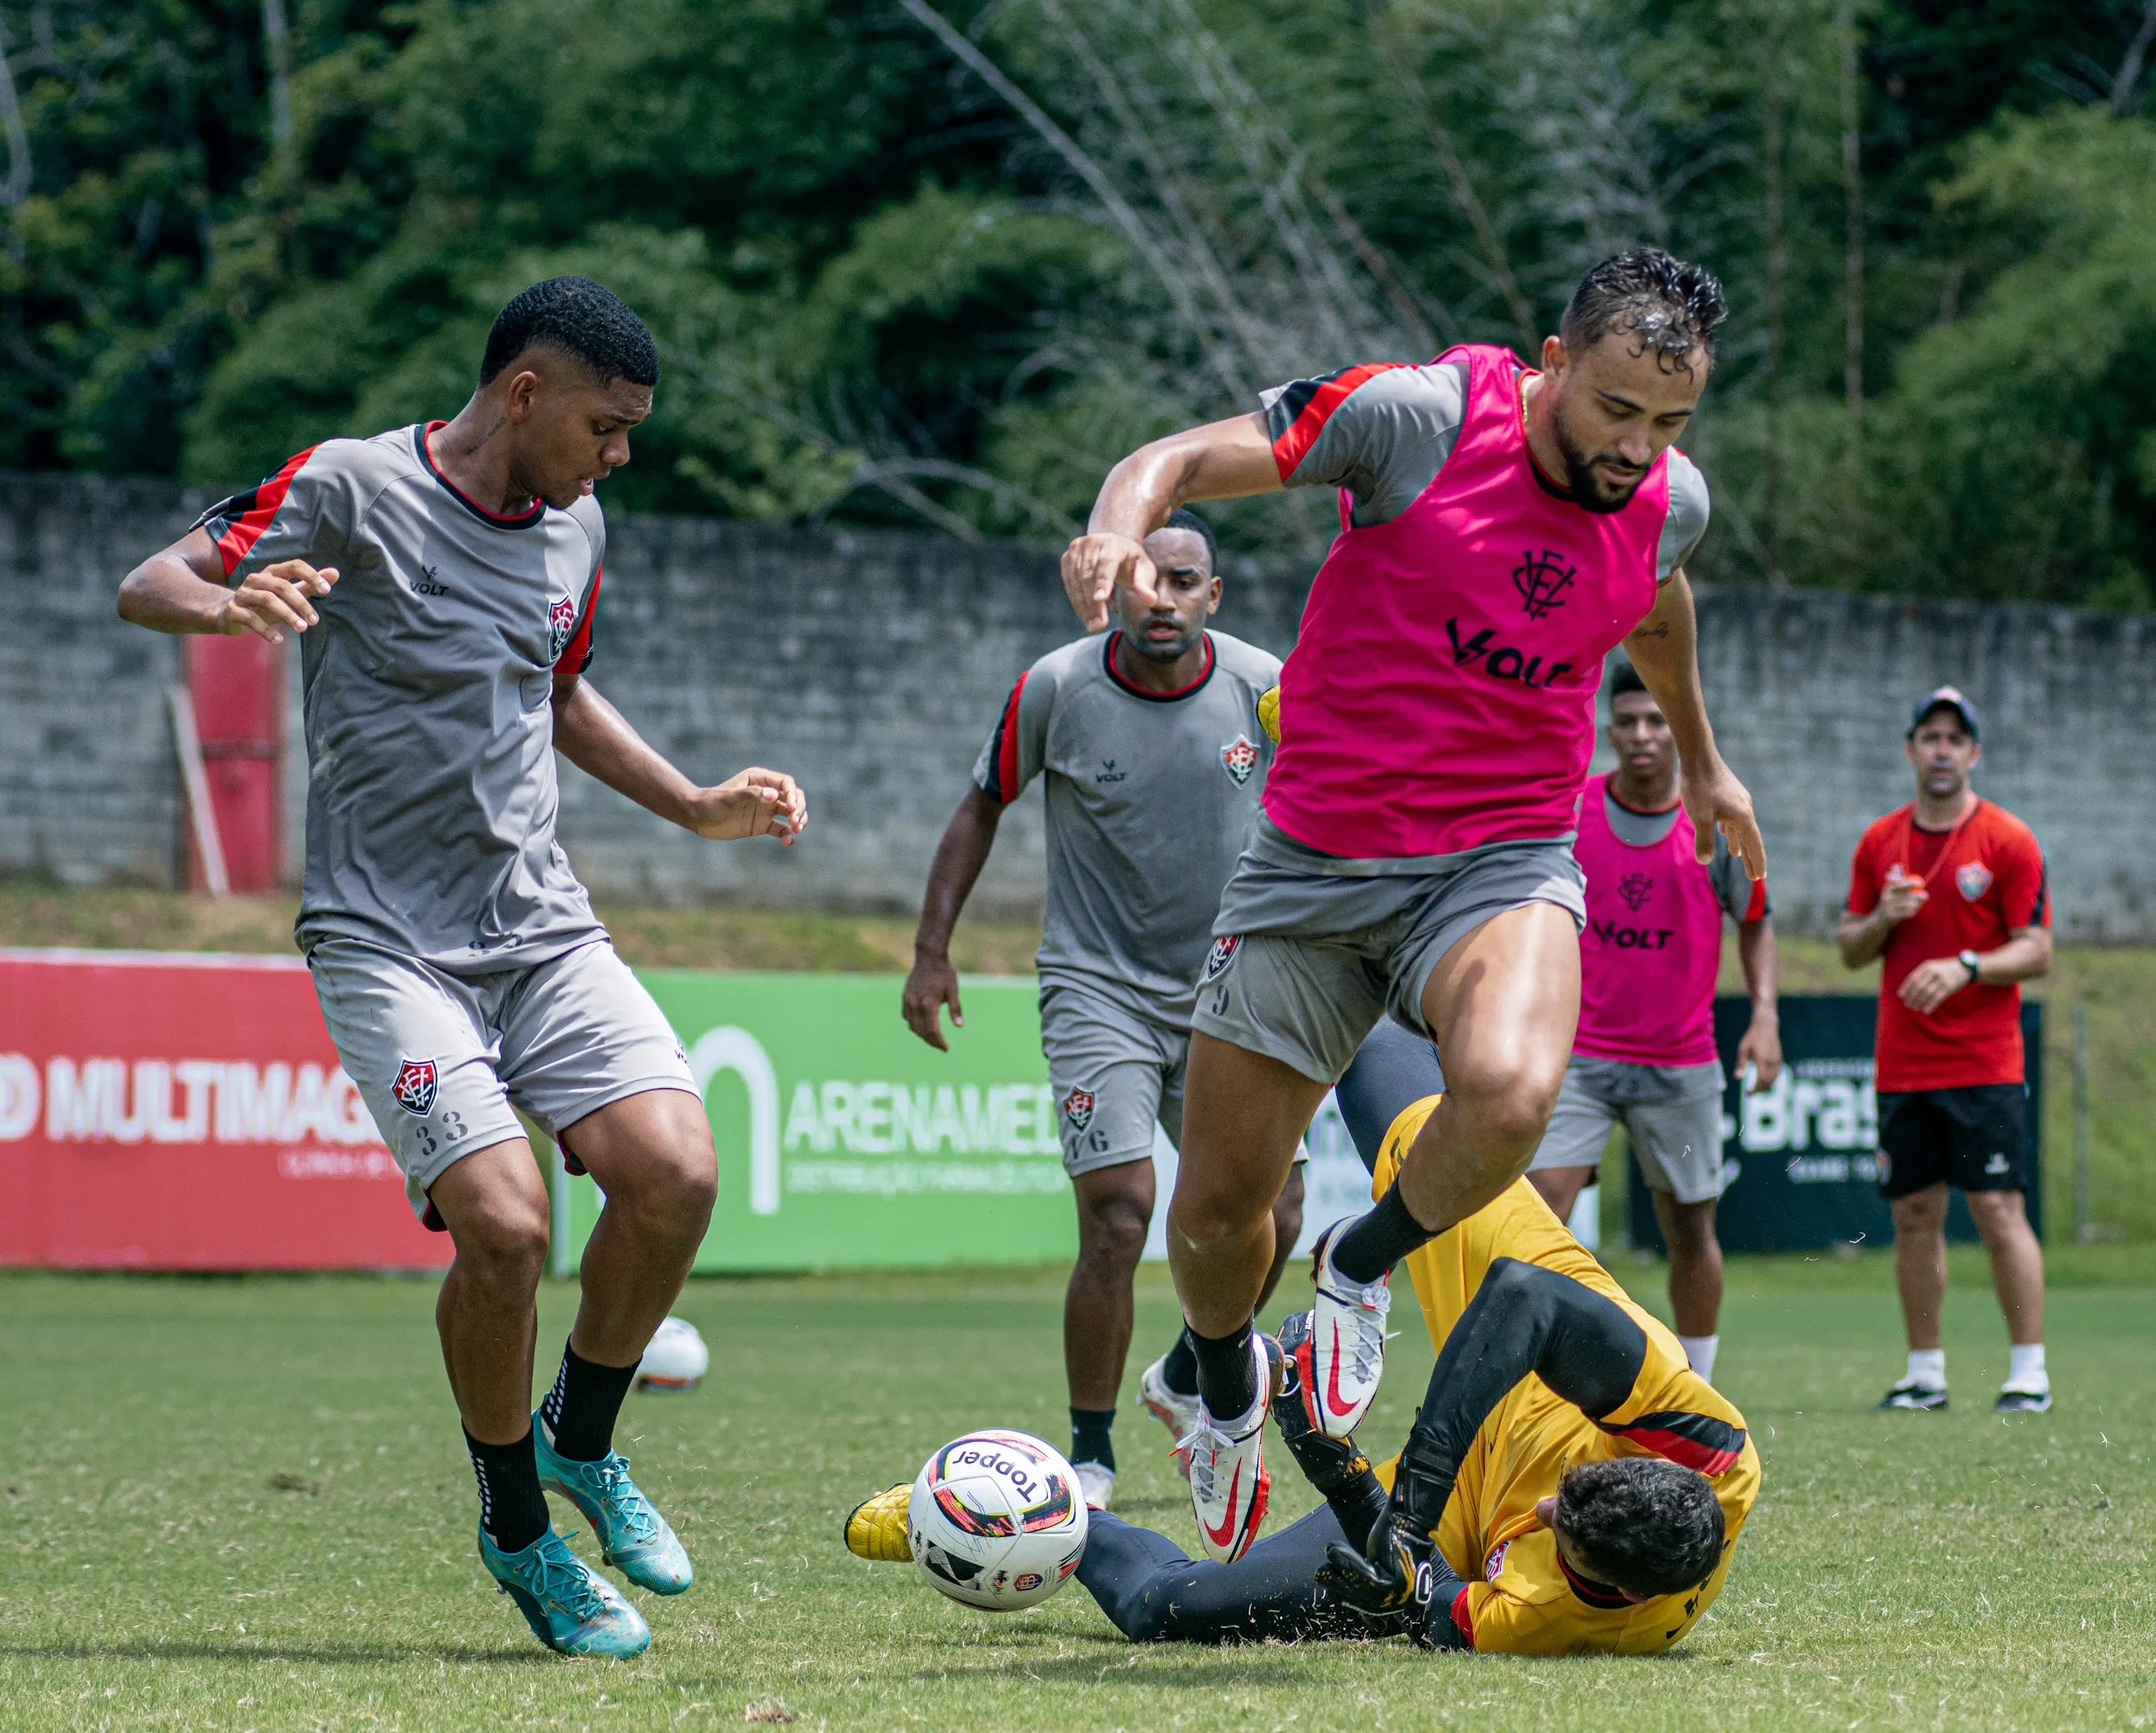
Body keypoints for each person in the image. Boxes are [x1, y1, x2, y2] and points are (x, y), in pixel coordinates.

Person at [114, 277, 809, 1658]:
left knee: (677, 1173)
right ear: (526, 393)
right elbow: (152, 581)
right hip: (388, 938)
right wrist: (232, 605)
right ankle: (518, 1531)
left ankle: (581, 1440)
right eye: (607, 427)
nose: (618, 457)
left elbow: (553, 692)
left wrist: (690, 804)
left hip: (541, 925)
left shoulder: (577, 530)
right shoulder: (352, 486)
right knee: (505, 1226)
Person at [1055, 248, 1767, 1561]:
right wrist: (1118, 519)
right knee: (1215, 1219)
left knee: (1507, 1091)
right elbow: (1183, 458)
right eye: (1616, 409)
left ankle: (1359, 1265)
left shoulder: (1668, 501)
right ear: (1553, 364)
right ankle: (1214, 1385)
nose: (1637, 448)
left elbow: (1654, 601)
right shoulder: (1421, 420)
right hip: (1313, 864)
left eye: (1668, 424)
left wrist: (1706, 758)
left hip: (1498, 858)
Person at [842, 1023, 1758, 1654]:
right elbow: (1525, 1301)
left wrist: (1343, 1471)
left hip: (1460, 1506)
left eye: (1560, 1530)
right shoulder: (1712, 1449)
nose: (1551, 1507)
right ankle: (1338, 937)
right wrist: (1414, 1498)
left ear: (1619, 1592)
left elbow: (1403, 1585)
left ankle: (1007, 1512)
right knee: (1443, 1139)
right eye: (1575, 1489)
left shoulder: (1548, 1617)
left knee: (1173, 1610)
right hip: (1545, 1355)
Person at [900, 509, 1304, 1510]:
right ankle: (1089, 1452)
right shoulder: (1057, 686)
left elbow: (1333, 802)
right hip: (1099, 987)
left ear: (1215, 595)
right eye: (1142, 578)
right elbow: (981, 800)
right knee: (1122, 1216)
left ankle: (1180, 1373)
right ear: (1111, 586)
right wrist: (930, 949)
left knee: (1278, 1213)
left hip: (1232, 986)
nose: (1159, 599)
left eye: (1183, 581)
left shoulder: (1265, 686)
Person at [1525, 663, 1782, 1385]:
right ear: (1609, 729)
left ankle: (1697, 1384)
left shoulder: (1718, 817)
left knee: (1691, 1228)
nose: (1642, 736)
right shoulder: (1569, 811)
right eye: (1628, 722)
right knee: (1541, 1212)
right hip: (1576, 1054)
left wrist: (1764, 1016)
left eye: (1657, 721)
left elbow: (1756, 923)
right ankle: (1535, 1380)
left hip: (1681, 1061)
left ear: (1679, 727)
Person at [1835, 687, 2054, 1413]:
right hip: (1905, 1065)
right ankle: (1924, 1374)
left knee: (1997, 1207)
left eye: (1955, 740)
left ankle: (2029, 1372)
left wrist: (1966, 965)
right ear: (1910, 750)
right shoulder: (1880, 843)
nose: (1941, 750)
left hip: (1984, 1063)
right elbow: (1847, 948)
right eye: (1929, 736)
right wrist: (1882, 919)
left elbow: (2038, 950)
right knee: (1913, 1215)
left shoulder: (2008, 841)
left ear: (1974, 755)